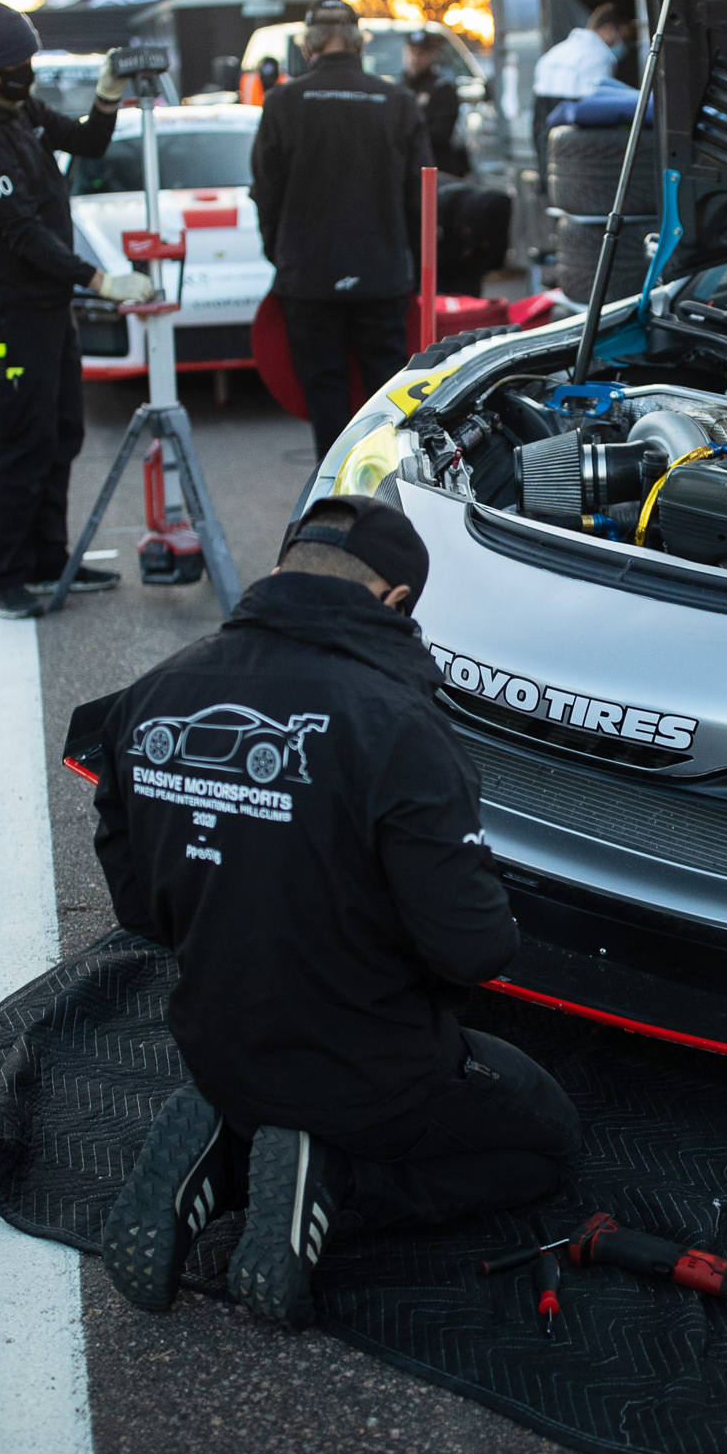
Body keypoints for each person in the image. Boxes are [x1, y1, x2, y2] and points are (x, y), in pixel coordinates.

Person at [94, 494, 580, 1327]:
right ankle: (335, 1181)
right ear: (395, 604)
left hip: (219, 1045)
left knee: (266, 1083)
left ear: (283, 571)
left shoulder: (149, 698)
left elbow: (139, 907)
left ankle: (226, 1143)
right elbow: (472, 949)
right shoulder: (398, 729)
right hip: (374, 1076)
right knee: (547, 1142)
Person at [0, 2, 153, 619]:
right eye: (13, 66)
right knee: (19, 439)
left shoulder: (18, 107)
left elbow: (88, 141)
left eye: (27, 60)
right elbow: (21, 235)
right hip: (8, 310)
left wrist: (107, 96)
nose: (25, 73)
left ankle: (48, 559)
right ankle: (1, 575)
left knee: (61, 431)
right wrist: (100, 280)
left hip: (48, 304)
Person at [251, 0, 433, 463]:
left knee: (325, 396)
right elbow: (422, 199)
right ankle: (391, 494)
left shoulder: (283, 102)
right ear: (359, 42)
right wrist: (412, 263)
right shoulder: (396, 102)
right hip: (382, 274)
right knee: (386, 399)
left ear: (308, 45)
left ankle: (334, 500)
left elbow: (265, 192)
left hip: (308, 276)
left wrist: (281, 254)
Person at [529, 0, 636, 197]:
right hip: (578, 160)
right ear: (609, 29)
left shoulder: (555, 53)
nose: (624, 43)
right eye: (623, 35)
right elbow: (600, 112)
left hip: (547, 150)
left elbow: (538, 122)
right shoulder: (598, 57)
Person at [399, 29, 467, 177]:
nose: (415, 58)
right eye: (412, 51)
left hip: (435, 167)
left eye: (421, 53)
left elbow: (439, 134)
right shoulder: (398, 88)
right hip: (404, 168)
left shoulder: (442, 89)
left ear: (432, 55)